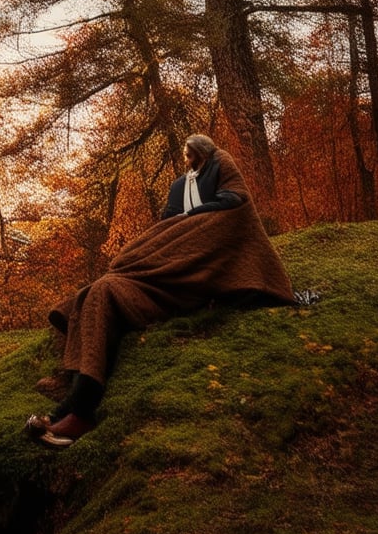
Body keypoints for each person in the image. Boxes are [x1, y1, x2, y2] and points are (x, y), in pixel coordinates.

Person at [25, 135, 295, 449]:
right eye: (186, 153)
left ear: (204, 153)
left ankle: (79, 412)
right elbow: (167, 223)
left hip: (183, 280)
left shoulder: (221, 164)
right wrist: (161, 242)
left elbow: (236, 203)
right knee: (90, 294)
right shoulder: (180, 185)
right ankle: (68, 393)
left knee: (103, 292)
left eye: (194, 152)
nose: (188, 156)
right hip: (153, 275)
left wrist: (190, 224)